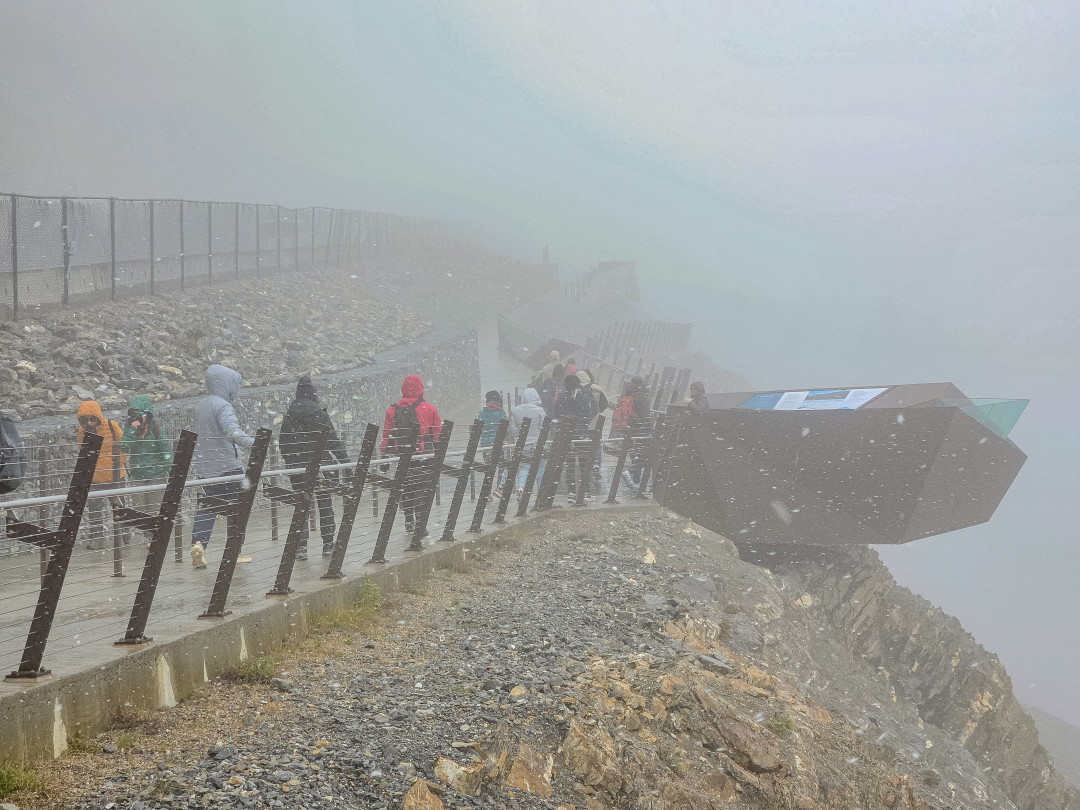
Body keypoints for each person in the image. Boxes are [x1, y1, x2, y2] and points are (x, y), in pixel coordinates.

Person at [278, 376, 350, 560]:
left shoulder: (290, 415)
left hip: (298, 469)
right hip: (321, 467)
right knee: (325, 504)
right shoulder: (319, 413)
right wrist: (346, 464)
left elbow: (283, 443)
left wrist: (292, 463)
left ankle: (301, 547)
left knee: (302, 507)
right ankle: (328, 544)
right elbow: (333, 441)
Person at [191, 365, 254, 569]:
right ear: (226, 384)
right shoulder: (223, 405)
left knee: (209, 507)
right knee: (238, 508)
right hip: (228, 467)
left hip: (206, 468)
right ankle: (234, 551)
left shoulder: (202, 405)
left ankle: (198, 544)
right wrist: (256, 442)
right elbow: (232, 432)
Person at [380, 374, 442, 536]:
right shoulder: (429, 409)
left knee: (407, 489)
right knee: (422, 489)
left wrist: (384, 456)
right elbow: (438, 435)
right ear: (421, 388)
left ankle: (409, 521)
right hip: (424, 456)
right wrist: (438, 452)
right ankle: (421, 525)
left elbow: (387, 434)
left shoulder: (392, 410)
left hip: (403, 457)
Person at [76, 400, 126, 550]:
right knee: (95, 511)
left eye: (92, 418)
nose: (89, 423)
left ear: (98, 416)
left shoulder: (111, 426)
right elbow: (82, 451)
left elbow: (122, 446)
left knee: (119, 509)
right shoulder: (82, 432)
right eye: (85, 420)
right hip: (96, 477)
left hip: (113, 476)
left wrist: (117, 466)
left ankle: (123, 537)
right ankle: (98, 539)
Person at [121, 395, 173, 516]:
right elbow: (125, 447)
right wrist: (133, 429)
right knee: (140, 512)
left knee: (155, 511)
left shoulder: (157, 430)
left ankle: (154, 534)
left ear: (148, 414)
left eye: (141, 413)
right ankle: (147, 534)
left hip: (156, 475)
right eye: (134, 413)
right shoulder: (130, 430)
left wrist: (172, 474)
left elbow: (167, 453)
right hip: (137, 476)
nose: (137, 416)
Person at [553, 373, 596, 500]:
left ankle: (571, 492)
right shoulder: (582, 397)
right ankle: (585, 491)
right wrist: (582, 426)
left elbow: (556, 414)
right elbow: (588, 415)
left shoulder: (561, 398)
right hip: (581, 434)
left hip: (567, 435)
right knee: (583, 463)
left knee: (570, 464)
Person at [612, 376, 651, 489]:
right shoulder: (642, 397)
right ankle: (633, 480)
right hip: (641, 430)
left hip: (630, 429)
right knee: (644, 457)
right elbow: (645, 416)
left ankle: (634, 481)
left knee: (636, 456)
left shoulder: (629, 394)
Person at [509, 387, 546, 496]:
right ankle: (541, 491)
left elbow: (513, 429)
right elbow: (544, 427)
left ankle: (521, 487)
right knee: (541, 466)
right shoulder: (540, 410)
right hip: (537, 444)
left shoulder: (516, 410)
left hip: (523, 445)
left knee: (525, 466)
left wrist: (520, 437)